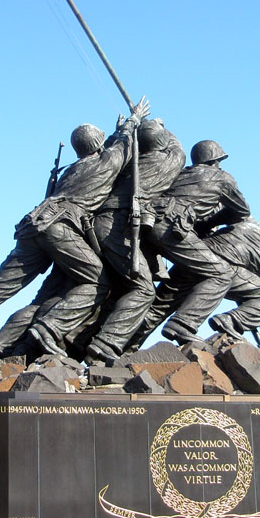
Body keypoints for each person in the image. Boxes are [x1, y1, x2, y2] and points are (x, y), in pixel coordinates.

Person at [0, 98, 150, 366]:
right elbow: (124, 145)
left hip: (33, 224)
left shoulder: (71, 170)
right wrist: (134, 118)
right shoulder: (105, 162)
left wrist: (117, 131)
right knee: (98, 282)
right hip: (60, 228)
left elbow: (113, 145)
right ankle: (50, 328)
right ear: (99, 144)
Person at [83, 118, 186, 363]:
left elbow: (106, 153)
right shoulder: (167, 161)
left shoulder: (129, 163)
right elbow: (177, 149)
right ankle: (105, 343)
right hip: (116, 225)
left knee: (118, 288)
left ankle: (78, 342)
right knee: (143, 289)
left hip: (98, 223)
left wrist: (126, 130)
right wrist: (159, 125)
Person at [142, 139, 250, 344]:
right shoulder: (223, 178)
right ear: (215, 161)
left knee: (155, 293)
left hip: (149, 223)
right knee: (221, 274)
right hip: (172, 229)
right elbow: (242, 211)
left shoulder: (180, 174)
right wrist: (210, 223)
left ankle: (123, 344)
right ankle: (183, 324)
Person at [129, 220, 260, 353]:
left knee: (157, 309)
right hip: (223, 267)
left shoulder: (248, 225)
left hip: (196, 254)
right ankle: (228, 320)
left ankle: (122, 348)